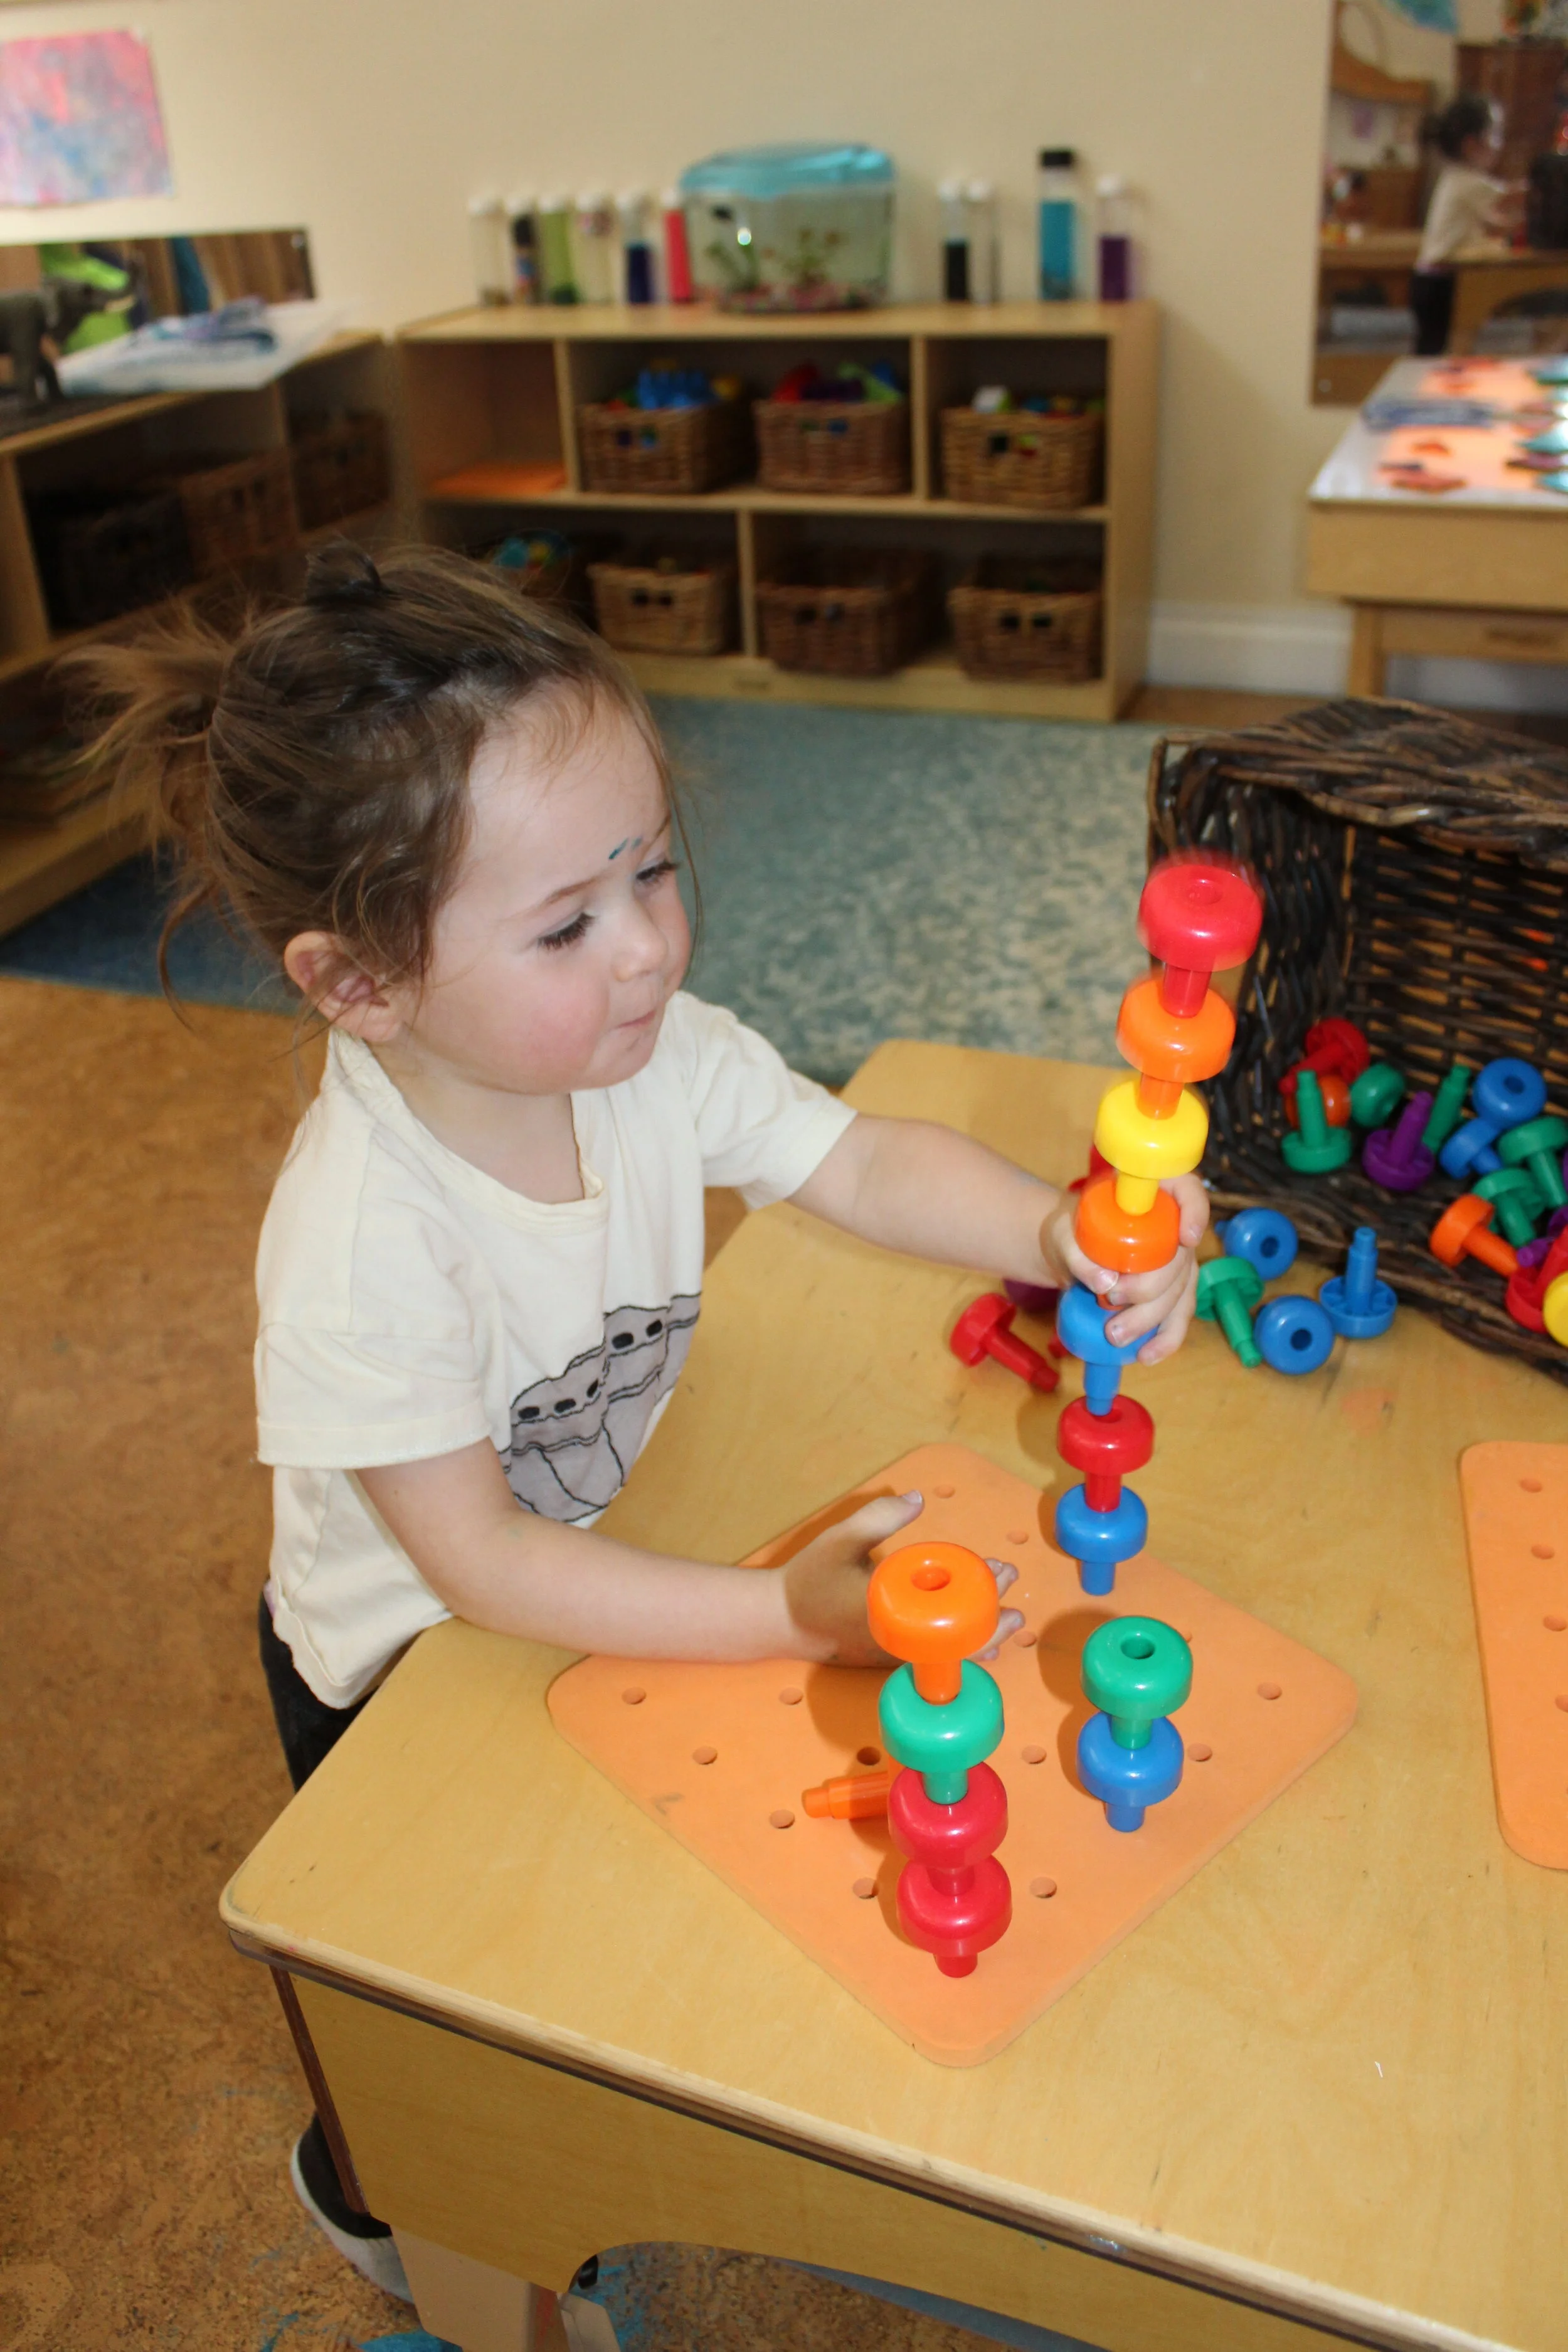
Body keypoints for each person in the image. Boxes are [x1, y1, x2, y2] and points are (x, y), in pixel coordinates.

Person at [81, 544, 1207, 2299]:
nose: (648, 947)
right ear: (356, 983)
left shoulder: (643, 1046)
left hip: (584, 1552)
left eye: (653, 870)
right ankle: (376, 2189)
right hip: (399, 1665)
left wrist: (1055, 1234)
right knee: (447, 2008)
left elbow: (855, 1155)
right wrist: (778, 1614)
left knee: (627, 1928)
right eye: (568, 921)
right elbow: (477, 1562)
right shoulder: (362, 1246)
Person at [1412, 93, 1523, 356]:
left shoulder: (1456, 178)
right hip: (1441, 281)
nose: (1500, 144)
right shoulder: (1468, 183)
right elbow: (1512, 199)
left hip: (1431, 278)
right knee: (1437, 349)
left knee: (1433, 346)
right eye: (1495, 134)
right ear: (1472, 144)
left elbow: (1494, 222)